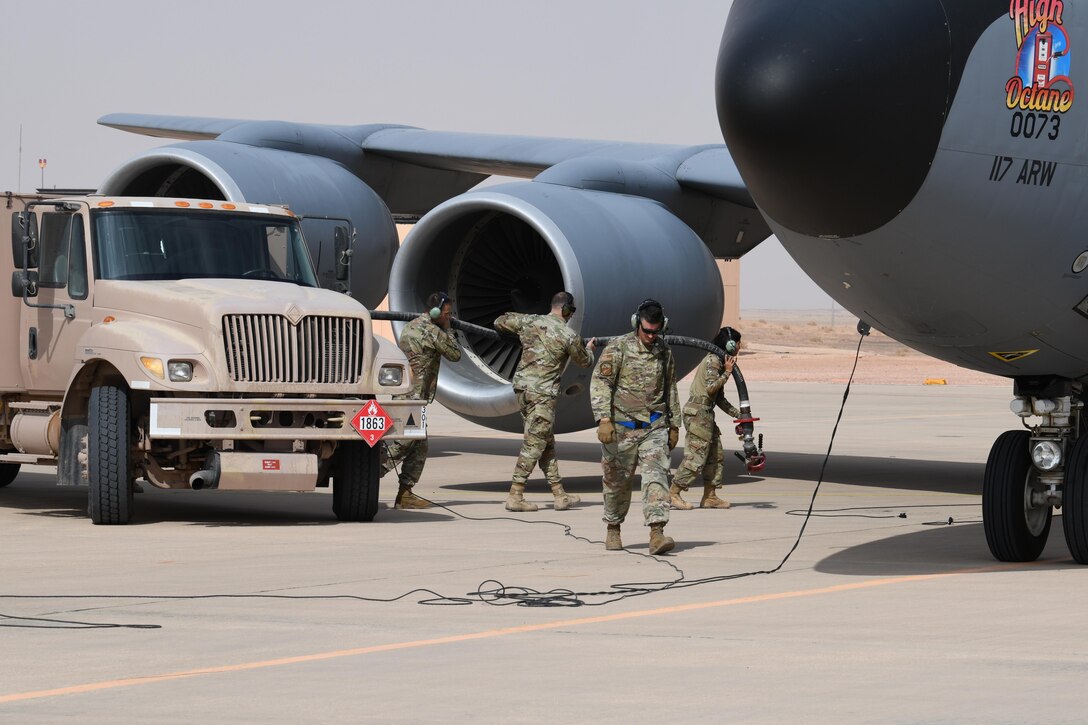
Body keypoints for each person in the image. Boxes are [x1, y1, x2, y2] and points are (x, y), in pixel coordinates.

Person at [590, 299, 680, 554]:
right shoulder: (618, 348)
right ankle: (613, 527)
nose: (651, 336)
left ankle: (657, 533)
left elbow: (670, 386)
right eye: (647, 330)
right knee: (616, 482)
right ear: (636, 324)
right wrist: (604, 420)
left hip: (653, 427)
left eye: (656, 331)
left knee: (656, 477)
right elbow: (600, 383)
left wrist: (675, 424)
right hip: (621, 429)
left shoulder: (664, 351)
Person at [494, 292, 597, 512]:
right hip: (543, 395)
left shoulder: (530, 321)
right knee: (534, 444)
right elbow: (585, 362)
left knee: (545, 443)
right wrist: (589, 349)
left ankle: (559, 494)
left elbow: (500, 321)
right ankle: (516, 494)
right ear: (567, 310)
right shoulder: (568, 336)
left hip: (523, 390)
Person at [381, 291, 462, 509]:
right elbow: (455, 354)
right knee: (405, 442)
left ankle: (405, 493)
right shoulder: (432, 331)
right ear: (435, 312)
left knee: (419, 445)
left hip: (407, 396)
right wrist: (448, 329)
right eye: (447, 313)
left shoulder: (411, 326)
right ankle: (372, 470)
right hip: (413, 399)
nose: (449, 316)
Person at [670, 327, 743, 510]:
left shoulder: (719, 360)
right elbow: (711, 388)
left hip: (706, 413)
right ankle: (673, 493)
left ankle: (710, 496)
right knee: (696, 457)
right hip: (698, 413)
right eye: (738, 345)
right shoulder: (713, 361)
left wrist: (739, 415)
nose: (739, 348)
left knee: (715, 455)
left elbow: (718, 398)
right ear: (730, 344)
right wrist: (727, 372)